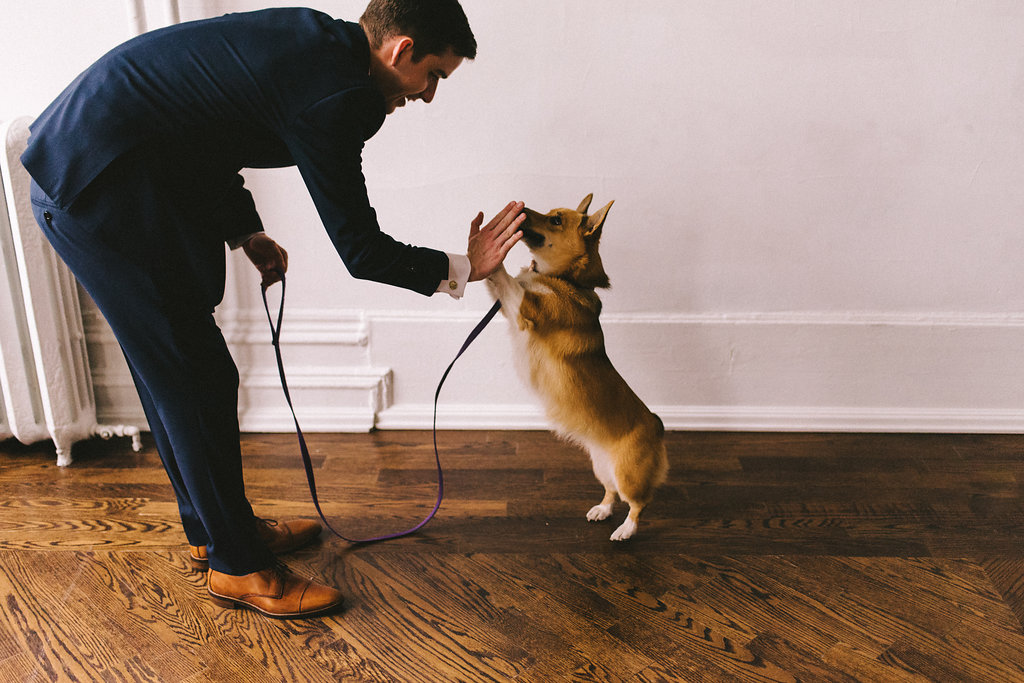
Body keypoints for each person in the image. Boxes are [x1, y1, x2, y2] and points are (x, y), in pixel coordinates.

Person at [21, 0, 524, 619]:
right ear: (401, 51)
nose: (427, 96)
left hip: (106, 166)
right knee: (192, 374)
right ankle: (238, 566)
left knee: (182, 372)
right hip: (95, 185)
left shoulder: (314, 41)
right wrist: (463, 267)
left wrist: (244, 231)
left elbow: (207, 124)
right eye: (434, 76)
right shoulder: (343, 95)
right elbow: (361, 250)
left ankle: (216, 533)